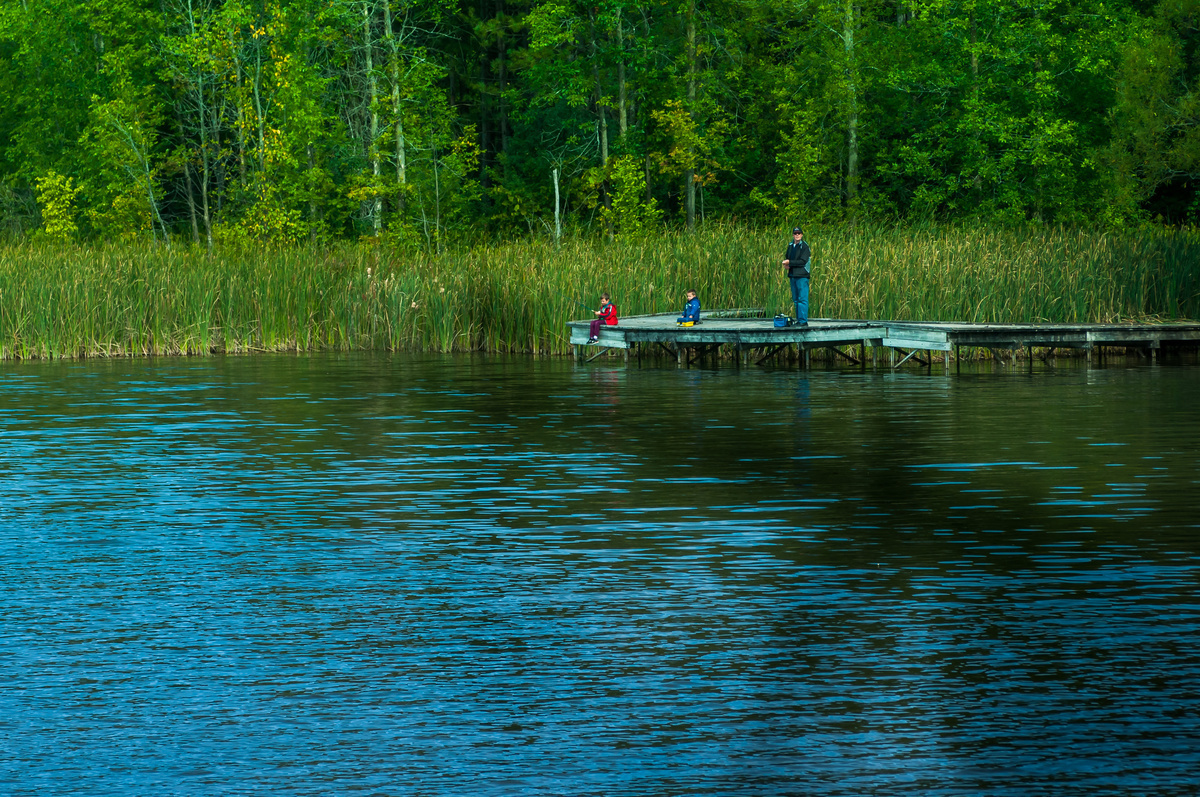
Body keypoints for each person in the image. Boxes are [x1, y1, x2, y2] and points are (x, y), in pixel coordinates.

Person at [781, 226, 811, 325]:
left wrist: (790, 262)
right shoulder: (790, 245)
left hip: (802, 275)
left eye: (799, 233)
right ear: (793, 235)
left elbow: (803, 261)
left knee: (802, 299)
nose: (797, 235)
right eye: (795, 233)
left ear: (802, 235)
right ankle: (799, 320)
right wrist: (787, 265)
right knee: (796, 299)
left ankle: (803, 321)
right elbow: (787, 257)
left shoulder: (804, 246)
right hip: (793, 275)